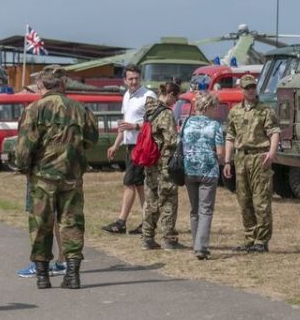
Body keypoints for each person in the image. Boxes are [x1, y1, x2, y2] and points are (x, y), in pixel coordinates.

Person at [14, 66, 99, 289]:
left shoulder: (34, 109)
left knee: (41, 224)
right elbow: (91, 141)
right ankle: (72, 275)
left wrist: (24, 168)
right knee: (71, 223)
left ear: (42, 85)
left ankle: (42, 276)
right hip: (71, 177)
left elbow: (23, 149)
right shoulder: (80, 109)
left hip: (42, 178)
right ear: (62, 84)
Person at [223, 74, 280, 253]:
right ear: (242, 89)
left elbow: (274, 132)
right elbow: (230, 136)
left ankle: (261, 241)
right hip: (241, 158)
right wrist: (227, 161)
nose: (250, 90)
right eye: (247, 87)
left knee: (261, 199)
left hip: (259, 157)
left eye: (252, 87)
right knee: (244, 199)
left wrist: (271, 153)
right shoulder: (235, 112)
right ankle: (250, 237)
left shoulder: (265, 110)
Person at [103, 64, 156, 235]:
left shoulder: (148, 95)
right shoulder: (126, 96)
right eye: (130, 79)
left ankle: (121, 222)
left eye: (136, 78)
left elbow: (154, 122)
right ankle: (146, 221)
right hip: (129, 145)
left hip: (141, 146)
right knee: (139, 185)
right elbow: (124, 125)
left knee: (129, 182)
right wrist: (116, 144)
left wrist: (135, 126)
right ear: (125, 80)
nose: (134, 81)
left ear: (141, 78)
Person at [182, 92, 225, 260]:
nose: (218, 111)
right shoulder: (215, 126)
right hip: (208, 171)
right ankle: (201, 247)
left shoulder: (187, 122)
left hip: (189, 169)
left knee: (194, 210)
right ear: (209, 107)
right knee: (205, 210)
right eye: (216, 108)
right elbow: (220, 152)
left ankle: (196, 244)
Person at [141, 81, 181, 250]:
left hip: (150, 162)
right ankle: (169, 239)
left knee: (151, 200)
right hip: (164, 163)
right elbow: (171, 140)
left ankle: (147, 237)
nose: (176, 101)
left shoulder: (149, 110)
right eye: (176, 97)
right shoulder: (166, 114)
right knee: (168, 200)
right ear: (170, 94)